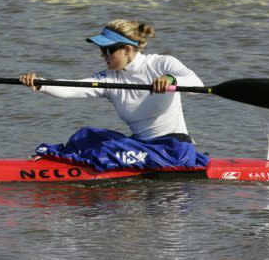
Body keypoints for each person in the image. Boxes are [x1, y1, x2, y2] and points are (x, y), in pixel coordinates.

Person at [19, 20, 209, 172]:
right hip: (141, 145)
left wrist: (171, 80)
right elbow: (71, 88)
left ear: (126, 49)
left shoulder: (162, 64)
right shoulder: (109, 78)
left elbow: (196, 84)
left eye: (107, 50)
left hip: (172, 148)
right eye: (101, 50)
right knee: (85, 135)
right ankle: (56, 165)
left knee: (105, 149)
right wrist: (40, 83)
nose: (103, 56)